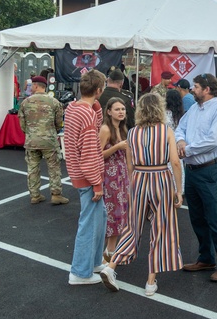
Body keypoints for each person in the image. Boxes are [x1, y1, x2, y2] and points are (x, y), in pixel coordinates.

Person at [99, 93, 184, 297]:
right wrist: (178, 190)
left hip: (138, 179)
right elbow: (174, 162)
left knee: (131, 227)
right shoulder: (166, 131)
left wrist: (131, 187)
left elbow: (129, 165)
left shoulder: (133, 133)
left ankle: (111, 267)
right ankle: (150, 281)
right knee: (161, 229)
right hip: (161, 178)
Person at [175, 73, 217, 282]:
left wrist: (187, 149)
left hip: (209, 170)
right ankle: (206, 257)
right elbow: (179, 127)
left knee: (215, 218)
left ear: (207, 89)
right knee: (197, 217)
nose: (193, 89)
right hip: (192, 170)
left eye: (196, 86)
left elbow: (214, 140)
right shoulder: (193, 109)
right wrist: (181, 142)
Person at [64, 70, 109, 286]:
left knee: (99, 218)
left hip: (79, 172)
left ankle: (92, 263)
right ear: (99, 90)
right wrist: (97, 183)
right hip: (88, 176)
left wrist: (96, 105)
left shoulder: (73, 108)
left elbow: (94, 122)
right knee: (89, 223)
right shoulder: (87, 115)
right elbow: (90, 152)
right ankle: (80, 273)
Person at [18, 75, 68, 205]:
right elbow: (59, 123)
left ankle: (35, 195)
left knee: (33, 168)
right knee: (54, 167)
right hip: (49, 140)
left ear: (35, 86)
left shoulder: (25, 102)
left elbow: (22, 124)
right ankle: (56, 194)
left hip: (32, 141)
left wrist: (29, 133)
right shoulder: (54, 102)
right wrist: (53, 132)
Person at [100, 98, 130, 260]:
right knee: (110, 214)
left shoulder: (123, 129)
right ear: (109, 111)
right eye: (117, 109)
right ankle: (104, 252)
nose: (121, 112)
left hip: (121, 175)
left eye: (123, 109)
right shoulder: (105, 129)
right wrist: (117, 147)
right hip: (109, 176)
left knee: (120, 214)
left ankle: (110, 250)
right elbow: (98, 155)